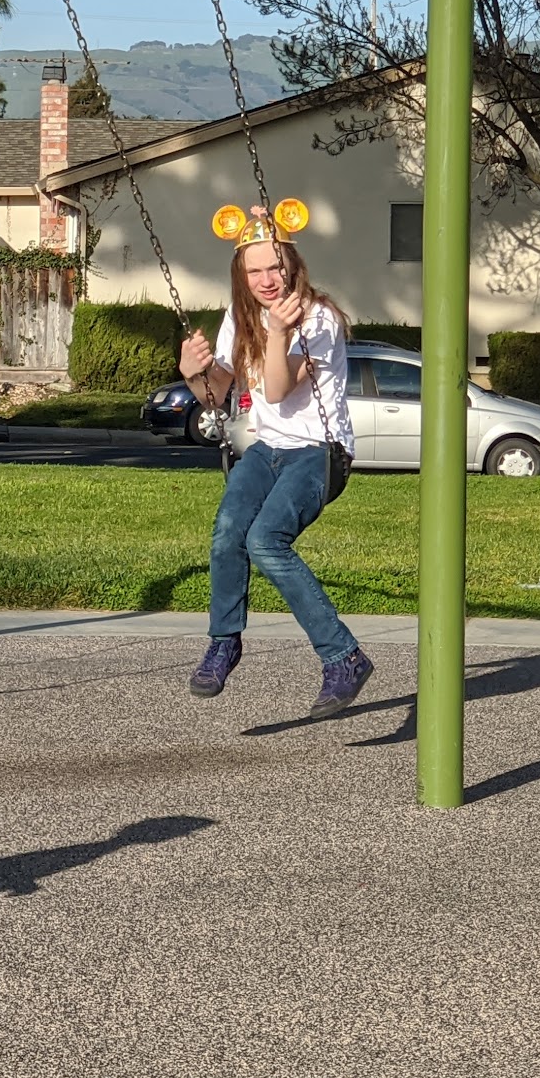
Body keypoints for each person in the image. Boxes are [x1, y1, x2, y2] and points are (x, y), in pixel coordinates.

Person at [176, 207, 374, 717]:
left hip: (318, 452)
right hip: (267, 448)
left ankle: (343, 657)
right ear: (241, 275)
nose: (267, 280)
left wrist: (279, 334)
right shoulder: (237, 319)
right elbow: (216, 396)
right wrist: (192, 373)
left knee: (265, 540)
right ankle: (225, 642)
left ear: (293, 265)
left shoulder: (317, 319)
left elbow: (281, 389)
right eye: (255, 270)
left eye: (275, 267)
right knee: (227, 531)